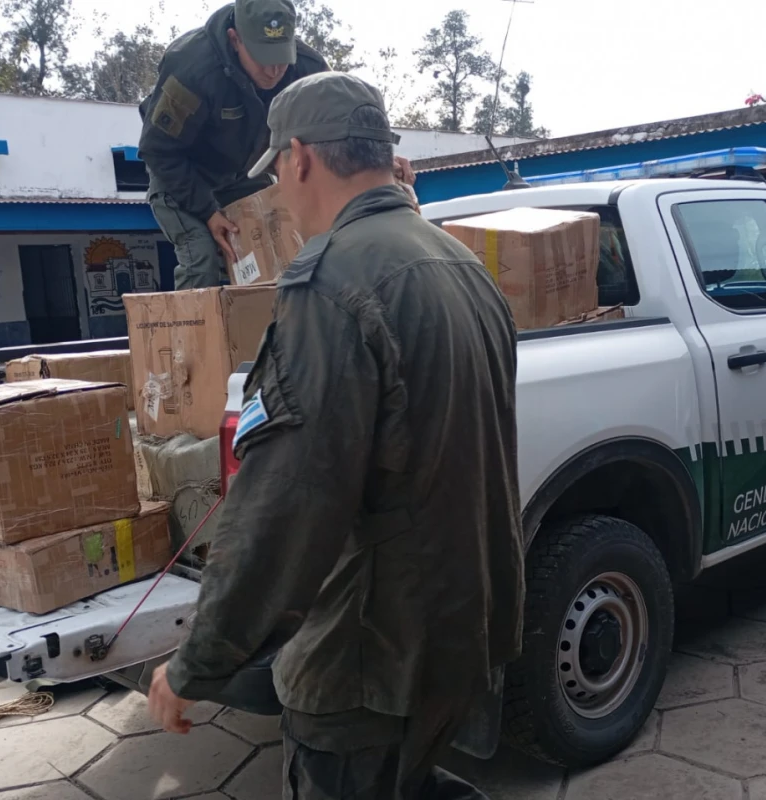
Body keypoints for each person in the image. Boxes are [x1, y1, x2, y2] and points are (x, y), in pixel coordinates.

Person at [147, 72, 525, 800]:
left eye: (279, 173)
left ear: (299, 159)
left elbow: (285, 507)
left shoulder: (330, 284)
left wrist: (199, 663)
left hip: (369, 659)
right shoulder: (463, 266)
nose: (281, 191)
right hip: (465, 630)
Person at [138, 0, 416, 289]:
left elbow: (344, 113)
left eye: (281, 57)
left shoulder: (307, 66)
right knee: (201, 259)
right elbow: (157, 149)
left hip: (244, 172)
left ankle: (283, 330)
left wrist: (381, 159)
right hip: (181, 174)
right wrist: (208, 212)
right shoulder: (192, 69)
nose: (274, 71)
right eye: (263, 58)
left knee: (285, 243)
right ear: (235, 39)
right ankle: (195, 333)